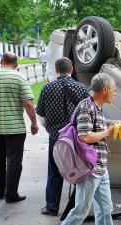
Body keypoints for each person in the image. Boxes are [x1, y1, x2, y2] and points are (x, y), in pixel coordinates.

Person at [40, 73, 121, 225]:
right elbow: (85, 137)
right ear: (104, 90)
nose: (115, 93)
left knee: (105, 209)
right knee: (80, 210)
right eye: (113, 90)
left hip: (99, 168)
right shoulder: (86, 107)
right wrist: (108, 132)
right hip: (89, 169)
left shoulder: (97, 108)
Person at [0, 52, 39, 203]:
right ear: (16, 64)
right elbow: (29, 103)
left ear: (1, 62)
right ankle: (11, 194)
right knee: (14, 161)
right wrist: (34, 123)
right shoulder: (19, 77)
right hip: (15, 128)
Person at [36, 57, 90, 216]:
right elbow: (88, 112)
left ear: (56, 70)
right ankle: (78, 207)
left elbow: (41, 113)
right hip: (77, 137)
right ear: (71, 70)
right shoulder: (82, 88)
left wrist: (50, 128)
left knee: (54, 171)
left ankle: (52, 207)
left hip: (57, 137)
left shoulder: (48, 89)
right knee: (79, 170)